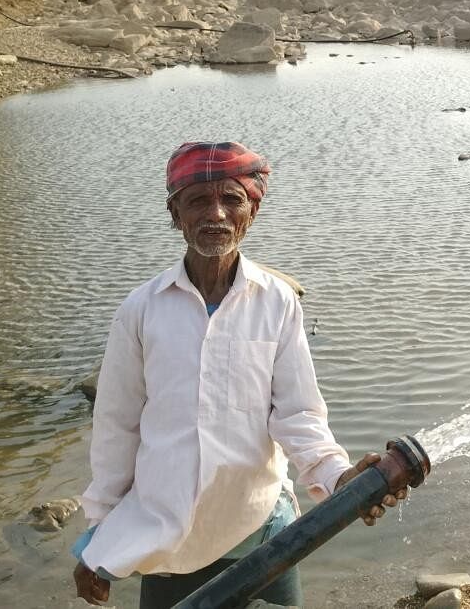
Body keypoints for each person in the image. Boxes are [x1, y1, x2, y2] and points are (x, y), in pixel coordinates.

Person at [72, 141, 404, 608]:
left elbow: (298, 413)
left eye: (232, 199)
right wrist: (100, 540)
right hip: (165, 537)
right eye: (198, 201)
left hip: (259, 533)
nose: (216, 214)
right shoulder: (141, 310)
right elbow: (116, 427)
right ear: (175, 214)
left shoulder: (277, 303)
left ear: (253, 210)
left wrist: (338, 478)